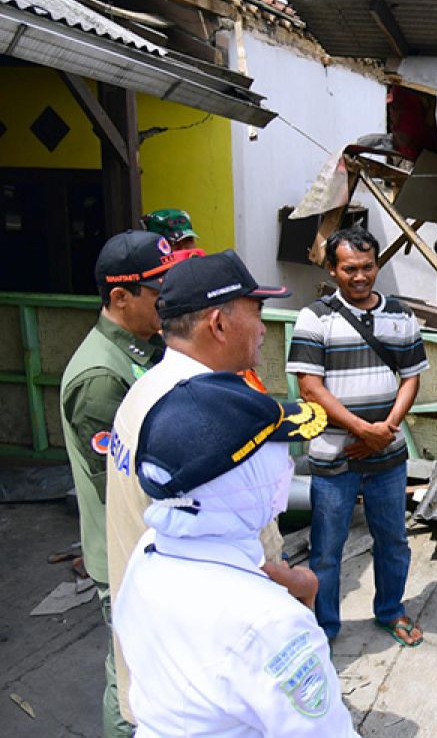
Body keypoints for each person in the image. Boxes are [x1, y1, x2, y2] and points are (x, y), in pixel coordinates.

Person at [105, 250, 298, 725]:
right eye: (256, 316)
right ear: (218, 323)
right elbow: (226, 540)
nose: (263, 330)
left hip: (165, 653)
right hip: (210, 661)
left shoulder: (152, 394)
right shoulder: (198, 419)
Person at [113, 372, 358, 736]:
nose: (288, 468)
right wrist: (301, 610)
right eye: (278, 454)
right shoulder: (271, 622)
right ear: (242, 475)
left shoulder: (148, 551)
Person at [60, 230, 186, 738]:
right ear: (119, 297)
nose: (169, 302)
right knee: (132, 682)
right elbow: (123, 487)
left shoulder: (145, 349)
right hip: (126, 556)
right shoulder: (100, 377)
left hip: (152, 547)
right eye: (159, 293)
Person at [286, 225, 429, 644]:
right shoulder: (315, 317)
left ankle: (390, 611)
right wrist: (361, 429)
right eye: (350, 268)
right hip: (335, 456)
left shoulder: (401, 315)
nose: (360, 276)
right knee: (326, 550)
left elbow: (411, 379)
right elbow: (310, 387)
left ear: (377, 264)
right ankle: (325, 627)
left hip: (388, 456)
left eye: (368, 267)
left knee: (394, 541)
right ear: (333, 269)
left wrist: (385, 429)